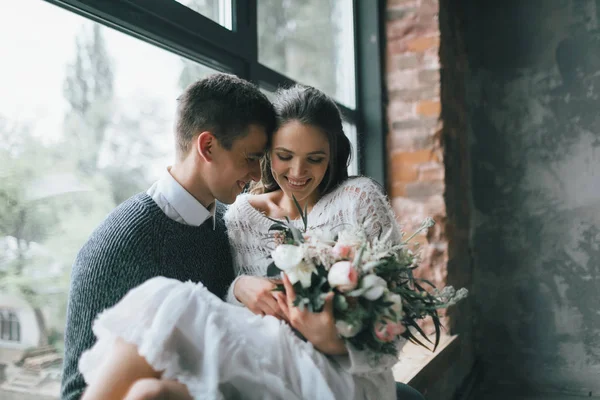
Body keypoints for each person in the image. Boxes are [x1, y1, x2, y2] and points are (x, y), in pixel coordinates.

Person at [76, 85, 424, 400]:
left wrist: (330, 339)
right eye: (282, 156)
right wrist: (240, 287)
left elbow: (400, 323)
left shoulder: (357, 199)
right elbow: (236, 312)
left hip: (341, 374)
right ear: (268, 153)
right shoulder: (239, 215)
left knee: (169, 301)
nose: (298, 172)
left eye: (315, 159)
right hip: (265, 361)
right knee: (150, 394)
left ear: (332, 155)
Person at [60, 73, 277, 400]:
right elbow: (77, 392)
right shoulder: (120, 245)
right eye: (250, 158)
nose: (257, 175)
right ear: (207, 146)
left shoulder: (228, 224)